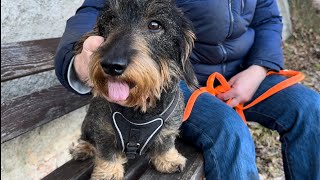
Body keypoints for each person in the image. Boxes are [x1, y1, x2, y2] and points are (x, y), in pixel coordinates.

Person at [55, 0, 320, 179]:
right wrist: (78, 57)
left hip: (246, 71)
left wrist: (259, 68)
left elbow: (269, 20)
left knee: (309, 107)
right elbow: (97, 8)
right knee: (229, 130)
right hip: (182, 76)